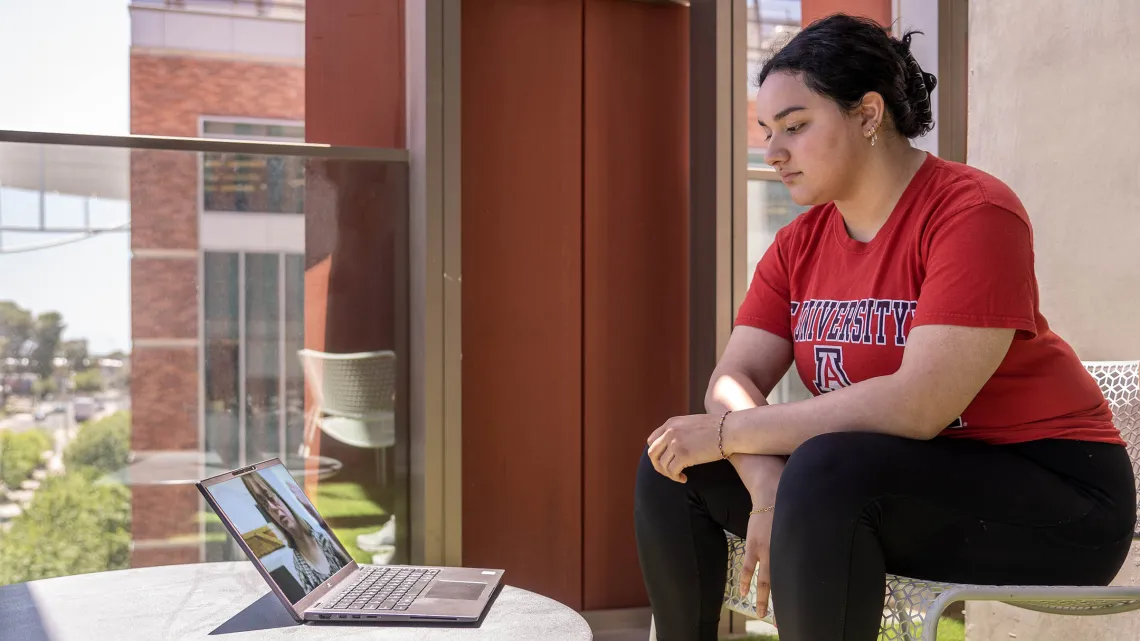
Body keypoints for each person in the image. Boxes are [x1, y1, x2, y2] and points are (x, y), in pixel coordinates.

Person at [634, 14, 1135, 641]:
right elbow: (733, 378)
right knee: (675, 464)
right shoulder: (800, 244)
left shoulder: (973, 212)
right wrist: (765, 486)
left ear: (869, 115)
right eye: (768, 132)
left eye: (794, 127)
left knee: (824, 471)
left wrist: (733, 433)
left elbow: (918, 405)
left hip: (1056, 497)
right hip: (890, 483)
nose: (774, 151)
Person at [242, 472, 349, 593]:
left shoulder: (324, 537)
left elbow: (352, 566)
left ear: (281, 499)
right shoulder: (298, 564)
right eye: (265, 505)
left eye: (270, 497)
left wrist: (311, 510)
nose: (273, 508)